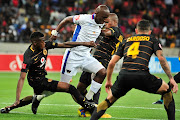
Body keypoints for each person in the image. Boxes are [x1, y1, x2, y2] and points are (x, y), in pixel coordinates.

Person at [90, 19, 178, 120]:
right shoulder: (152, 39)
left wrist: (109, 81)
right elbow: (161, 58)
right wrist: (171, 78)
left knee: (108, 100)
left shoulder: (126, 40)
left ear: (136, 30)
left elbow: (112, 63)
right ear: (150, 32)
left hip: (124, 76)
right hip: (141, 75)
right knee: (166, 91)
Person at [0, 31, 96, 114]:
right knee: (69, 88)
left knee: (36, 96)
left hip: (42, 78)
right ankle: (87, 105)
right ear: (35, 42)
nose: (44, 43)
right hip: (37, 81)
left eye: (44, 40)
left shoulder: (45, 46)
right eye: (41, 41)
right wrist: (17, 98)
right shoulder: (28, 57)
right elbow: (21, 78)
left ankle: (9, 108)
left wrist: (85, 43)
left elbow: (65, 44)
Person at [51, 5, 110, 102]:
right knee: (63, 86)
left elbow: (98, 32)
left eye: (106, 18)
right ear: (96, 14)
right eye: (104, 17)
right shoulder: (84, 18)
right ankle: (40, 96)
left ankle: (88, 99)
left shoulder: (101, 22)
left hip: (86, 56)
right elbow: (66, 20)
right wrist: (55, 33)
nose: (105, 20)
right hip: (73, 55)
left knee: (102, 72)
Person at [76, 13, 124, 118]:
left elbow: (106, 33)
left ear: (114, 22)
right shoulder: (113, 32)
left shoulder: (116, 30)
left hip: (103, 59)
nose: (105, 24)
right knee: (79, 88)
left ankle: (96, 109)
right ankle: (87, 105)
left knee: (95, 79)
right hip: (93, 59)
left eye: (107, 22)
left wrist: (92, 27)